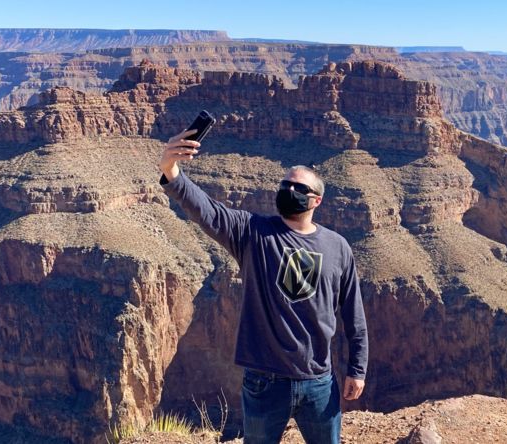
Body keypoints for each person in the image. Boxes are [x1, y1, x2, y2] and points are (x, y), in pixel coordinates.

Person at [157, 128, 368, 444]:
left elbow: (354, 316)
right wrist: (171, 170)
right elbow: (206, 210)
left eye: (298, 187)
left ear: (317, 200)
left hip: (319, 382)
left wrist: (358, 369)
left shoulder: (337, 247)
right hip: (264, 382)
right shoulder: (252, 233)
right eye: (285, 184)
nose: (289, 189)